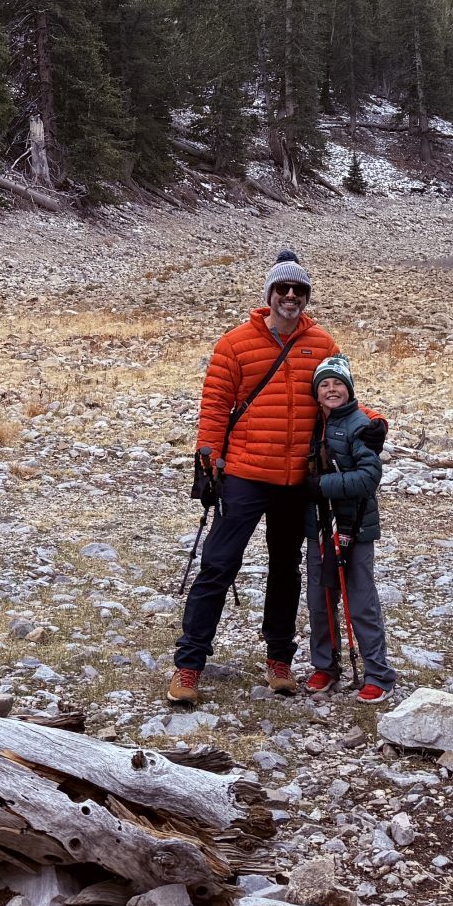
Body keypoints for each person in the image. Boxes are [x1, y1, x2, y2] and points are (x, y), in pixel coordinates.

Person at [169, 250, 337, 704]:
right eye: (282, 289)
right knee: (218, 566)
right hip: (244, 473)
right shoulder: (235, 343)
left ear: (305, 297)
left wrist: (371, 421)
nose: (289, 296)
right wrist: (209, 457)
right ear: (269, 294)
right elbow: (215, 405)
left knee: (286, 569)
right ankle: (188, 667)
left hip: (296, 479)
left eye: (298, 290)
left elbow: (339, 398)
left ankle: (279, 660)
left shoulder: (322, 345)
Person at [303, 353, 399, 703]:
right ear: (315, 393)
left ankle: (378, 673)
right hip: (319, 528)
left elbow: (370, 476)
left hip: (355, 528)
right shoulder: (311, 425)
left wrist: (322, 486)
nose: (331, 390)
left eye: (338, 384)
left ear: (350, 389)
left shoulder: (360, 426)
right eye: (324, 384)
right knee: (320, 598)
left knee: (360, 600)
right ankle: (325, 666)